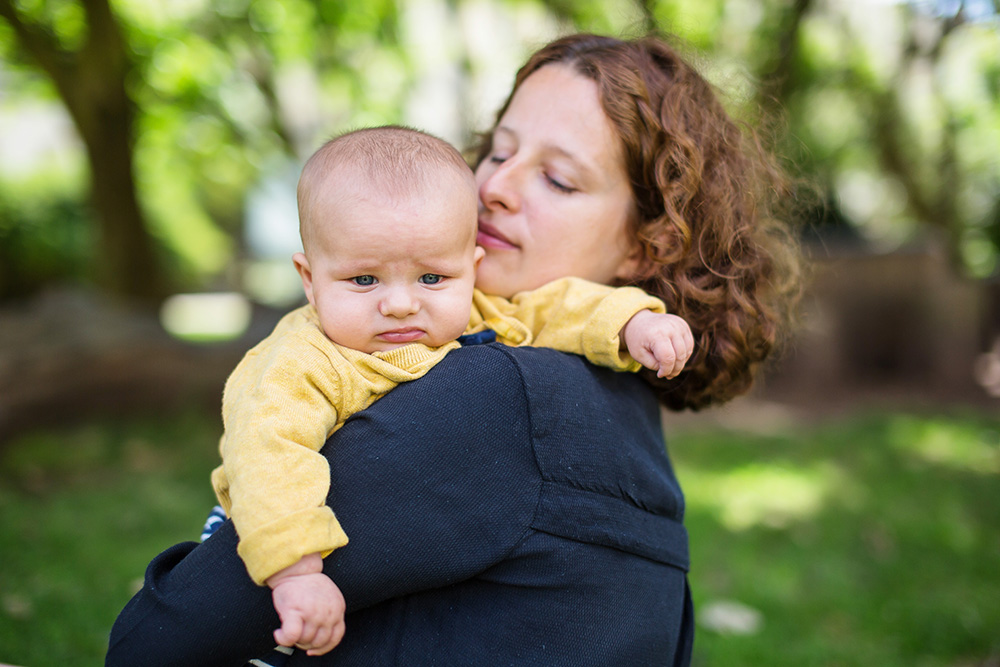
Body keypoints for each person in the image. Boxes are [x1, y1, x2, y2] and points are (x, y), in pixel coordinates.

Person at [106, 32, 801, 666]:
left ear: (649, 244)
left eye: (557, 178)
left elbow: (154, 642)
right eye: (498, 150)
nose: (493, 186)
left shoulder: (503, 396)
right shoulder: (607, 407)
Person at [212, 125, 693, 657]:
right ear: (309, 278)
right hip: (274, 538)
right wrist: (296, 571)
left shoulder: (481, 313)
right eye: (364, 280)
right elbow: (266, 449)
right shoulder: (302, 360)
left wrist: (634, 324)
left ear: (472, 270)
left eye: (432, 279)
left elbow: (553, 309)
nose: (400, 304)